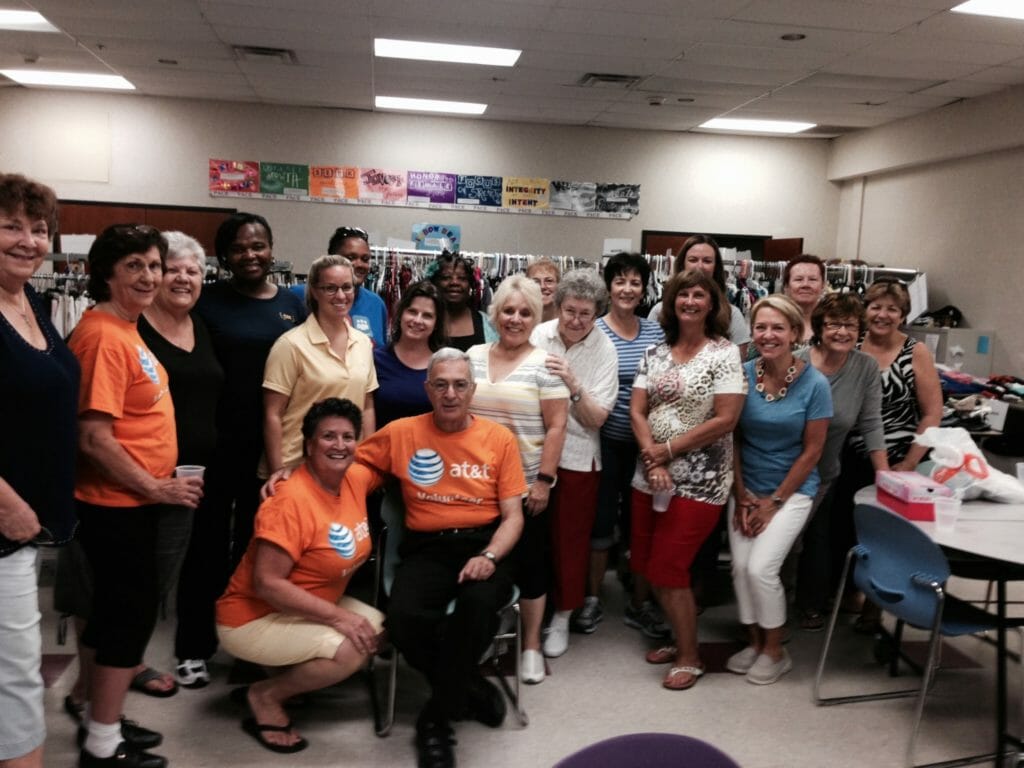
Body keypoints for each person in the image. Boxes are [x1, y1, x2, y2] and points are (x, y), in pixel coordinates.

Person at [69, 224, 205, 767]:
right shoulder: (103, 335)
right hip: (117, 506)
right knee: (128, 622)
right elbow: (93, 436)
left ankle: (101, 716)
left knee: (114, 618)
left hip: (133, 505)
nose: (150, 276)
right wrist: (157, 486)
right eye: (136, 266)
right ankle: (102, 745)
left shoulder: (124, 328)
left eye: (155, 265)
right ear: (107, 272)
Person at [356, 348, 526, 768]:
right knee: (402, 618)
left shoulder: (499, 438)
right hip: (427, 547)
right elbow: (350, 462)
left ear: (472, 390)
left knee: (477, 607)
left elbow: (513, 517)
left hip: (485, 544)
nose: (451, 393)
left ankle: (435, 720)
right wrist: (295, 473)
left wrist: (488, 555)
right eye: (441, 384)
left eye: (460, 384)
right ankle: (467, 686)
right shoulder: (401, 432)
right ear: (427, 389)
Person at [217, 398, 380, 754]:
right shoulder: (288, 500)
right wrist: (340, 618)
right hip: (250, 616)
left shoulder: (354, 476)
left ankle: (282, 675)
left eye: (348, 437)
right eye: (328, 437)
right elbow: (268, 584)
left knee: (375, 627)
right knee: (353, 646)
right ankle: (265, 695)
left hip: (302, 603)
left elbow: (395, 447)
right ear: (309, 444)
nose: (339, 445)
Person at [193, 213, 305, 666]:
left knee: (258, 548)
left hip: (274, 448)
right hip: (218, 443)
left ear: (271, 248)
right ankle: (195, 646)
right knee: (207, 546)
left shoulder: (294, 305)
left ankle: (248, 645)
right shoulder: (207, 302)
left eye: (258, 245)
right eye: (239, 248)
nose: (250, 255)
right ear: (224, 256)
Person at [631, 270, 745, 690]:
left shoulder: (725, 353)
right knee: (645, 564)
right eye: (683, 295)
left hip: (701, 480)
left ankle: (690, 656)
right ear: (670, 303)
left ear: (712, 305)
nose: (690, 301)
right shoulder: (656, 351)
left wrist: (670, 450)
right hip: (649, 475)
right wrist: (653, 457)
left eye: (699, 295)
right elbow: (637, 411)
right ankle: (679, 636)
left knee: (669, 568)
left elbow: (726, 419)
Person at [0, 173, 79, 768]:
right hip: (3, 525)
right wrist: (7, 503)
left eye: (37, 228)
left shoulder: (28, 300)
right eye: (10, 227)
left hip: (25, 525)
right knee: (17, 678)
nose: (28, 240)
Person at [466, 275, 568, 684]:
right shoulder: (471, 356)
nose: (516, 318)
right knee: (483, 567)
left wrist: (544, 479)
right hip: (474, 487)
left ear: (535, 317)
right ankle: (488, 635)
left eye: (525, 312)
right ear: (495, 314)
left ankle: (530, 646)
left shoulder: (547, 365)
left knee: (530, 566)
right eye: (508, 310)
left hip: (527, 487)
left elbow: (558, 426)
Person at [727, 294, 831, 685]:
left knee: (761, 568)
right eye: (761, 327)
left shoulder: (815, 383)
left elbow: (813, 450)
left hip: (792, 491)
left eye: (777, 328)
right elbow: (732, 438)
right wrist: (740, 493)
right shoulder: (742, 373)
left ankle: (776, 650)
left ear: (795, 333)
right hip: (747, 487)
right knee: (739, 568)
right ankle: (754, 644)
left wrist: (773, 503)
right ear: (752, 333)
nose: (768, 335)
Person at [137, 232, 225, 687]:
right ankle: (124, 662)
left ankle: (192, 650)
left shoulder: (201, 325)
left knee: (202, 563)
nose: (184, 278)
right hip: (145, 476)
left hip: (201, 474)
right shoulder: (131, 328)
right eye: (173, 269)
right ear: (155, 274)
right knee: (141, 576)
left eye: (193, 271)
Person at [831, 278, 943, 631]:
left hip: (896, 459)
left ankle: (875, 608)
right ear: (864, 310)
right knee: (845, 531)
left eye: (892, 309)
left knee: (885, 538)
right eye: (876, 306)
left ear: (903, 315)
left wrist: (909, 463)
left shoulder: (916, 352)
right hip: (847, 457)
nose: (882, 315)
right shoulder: (852, 344)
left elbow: (932, 413)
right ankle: (849, 593)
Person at [529, 268, 617, 659]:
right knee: (533, 537)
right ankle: (533, 611)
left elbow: (597, 418)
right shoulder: (538, 334)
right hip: (532, 451)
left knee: (570, 540)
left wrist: (572, 382)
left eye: (586, 313)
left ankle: (563, 615)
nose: (576, 320)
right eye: (569, 311)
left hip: (579, 458)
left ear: (598, 312)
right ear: (558, 305)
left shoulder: (605, 349)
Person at [793, 293, 888, 631]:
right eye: (833, 324)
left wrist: (885, 476)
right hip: (782, 468)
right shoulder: (796, 361)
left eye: (849, 325)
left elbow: (871, 422)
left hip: (825, 471)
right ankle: (769, 609)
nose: (842, 331)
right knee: (786, 541)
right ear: (819, 327)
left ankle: (809, 605)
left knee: (819, 538)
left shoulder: (865, 367)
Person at [593, 253, 667, 638]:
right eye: (620, 281)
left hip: (646, 445)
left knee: (641, 524)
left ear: (644, 289)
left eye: (635, 282)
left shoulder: (655, 332)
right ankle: (591, 599)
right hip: (603, 441)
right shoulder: (594, 330)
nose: (627, 289)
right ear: (609, 287)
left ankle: (639, 602)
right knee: (601, 521)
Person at [260, 254, 377, 481]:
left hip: (346, 468)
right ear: (314, 290)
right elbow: (272, 414)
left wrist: (366, 462)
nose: (341, 295)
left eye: (347, 287)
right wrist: (278, 472)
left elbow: (367, 407)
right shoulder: (291, 345)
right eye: (330, 288)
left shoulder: (362, 343)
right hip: (295, 468)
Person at [648, 235, 750, 357]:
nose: (699, 266)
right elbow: (649, 358)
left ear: (715, 267)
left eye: (707, 261)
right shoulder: (659, 311)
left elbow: (739, 365)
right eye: (693, 260)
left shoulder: (732, 315)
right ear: (682, 264)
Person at [373, 281, 447, 429]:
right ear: (400, 313)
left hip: (430, 450)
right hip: (383, 449)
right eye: (412, 312)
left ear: (436, 323)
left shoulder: (444, 365)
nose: (417, 320)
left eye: (427, 316)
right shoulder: (375, 360)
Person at [327, 226, 387, 346]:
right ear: (331, 259)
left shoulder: (376, 304)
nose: (359, 264)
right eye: (350, 258)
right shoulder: (304, 296)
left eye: (365, 259)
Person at [428, 251, 497, 352]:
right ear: (434, 283)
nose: (454, 282)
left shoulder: (489, 325)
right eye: (446, 277)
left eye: (462, 278)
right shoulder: (422, 320)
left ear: (470, 285)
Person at [782, 254, 827, 345]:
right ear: (786, 286)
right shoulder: (773, 320)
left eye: (812, 279)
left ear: (823, 285)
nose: (805, 285)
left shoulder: (834, 322)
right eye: (798, 279)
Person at [526, 257, 561, 323]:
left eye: (549, 281)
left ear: (558, 285)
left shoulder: (567, 322)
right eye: (536, 281)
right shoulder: (520, 321)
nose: (542, 286)